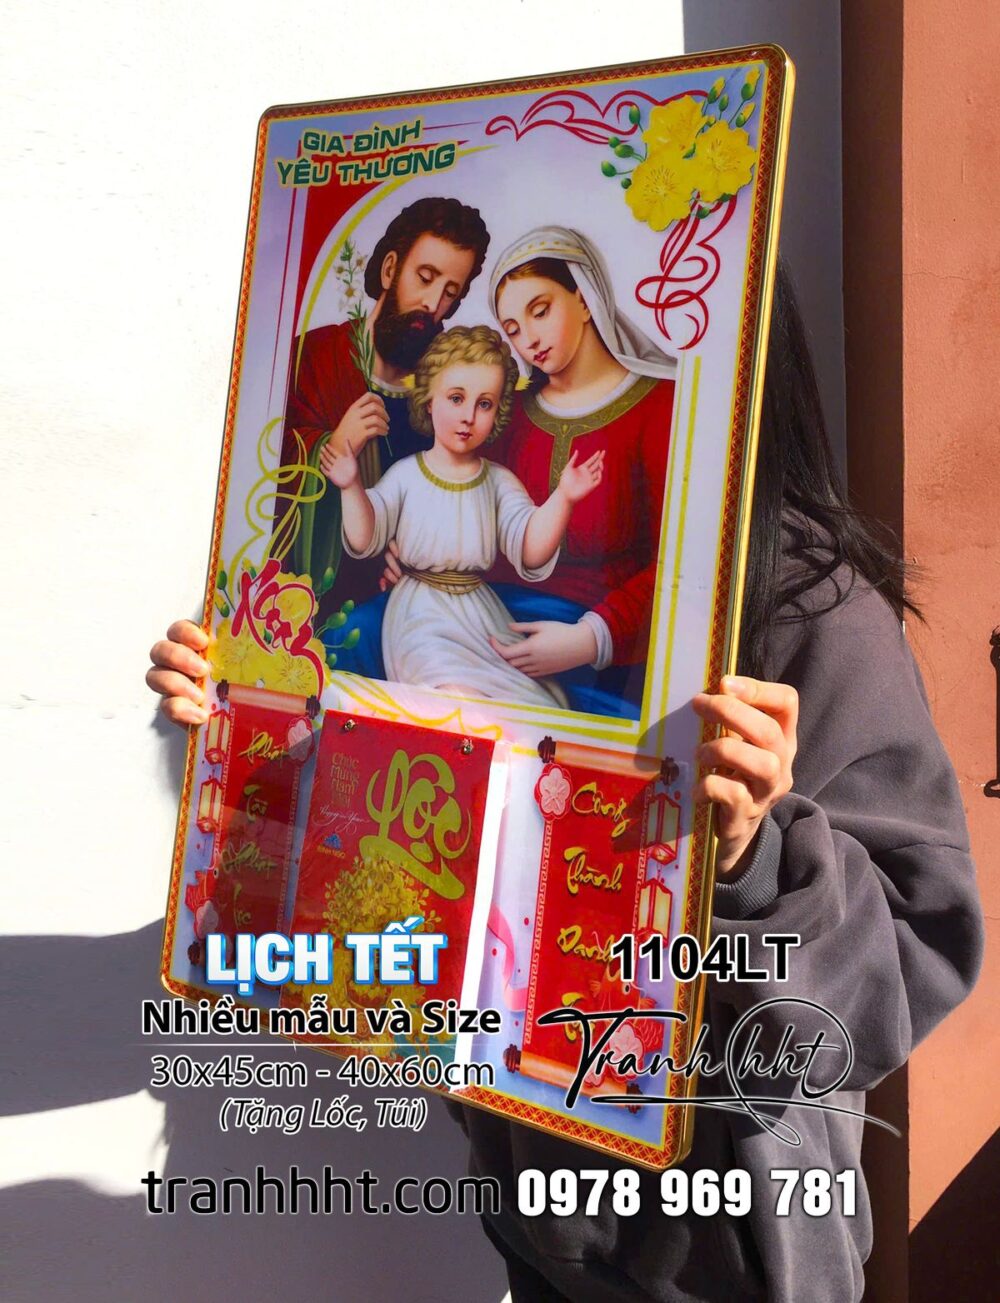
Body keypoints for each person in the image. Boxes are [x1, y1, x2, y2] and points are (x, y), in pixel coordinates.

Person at [145, 264, 984, 1302]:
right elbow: (417, 829)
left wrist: (754, 855)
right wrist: (249, 713)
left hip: (737, 1252)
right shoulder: (507, 567)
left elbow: (914, 955)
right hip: (537, 1207)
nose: (550, 389)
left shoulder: (813, 608)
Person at [353, 226, 679, 719]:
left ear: (584, 297)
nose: (529, 340)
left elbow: (680, 567)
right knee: (349, 640)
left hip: (594, 639)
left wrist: (592, 638)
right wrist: (404, 546)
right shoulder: (502, 410)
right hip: (480, 615)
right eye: (512, 328)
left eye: (540, 311)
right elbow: (454, 493)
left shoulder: (662, 406)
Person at [324, 324, 604, 709]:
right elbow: (364, 538)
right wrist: (351, 486)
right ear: (428, 400)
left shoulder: (498, 481)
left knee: (531, 704)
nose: (469, 416)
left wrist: (564, 498)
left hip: (480, 617)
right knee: (453, 696)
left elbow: (530, 549)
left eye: (484, 404)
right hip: (421, 616)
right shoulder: (406, 475)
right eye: (456, 398)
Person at [276, 195, 490, 609]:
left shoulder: (449, 392)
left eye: (449, 292)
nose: (432, 304)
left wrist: (420, 553)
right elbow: (260, 478)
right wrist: (334, 447)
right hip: (314, 606)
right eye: (425, 277)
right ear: (391, 269)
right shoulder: (311, 359)